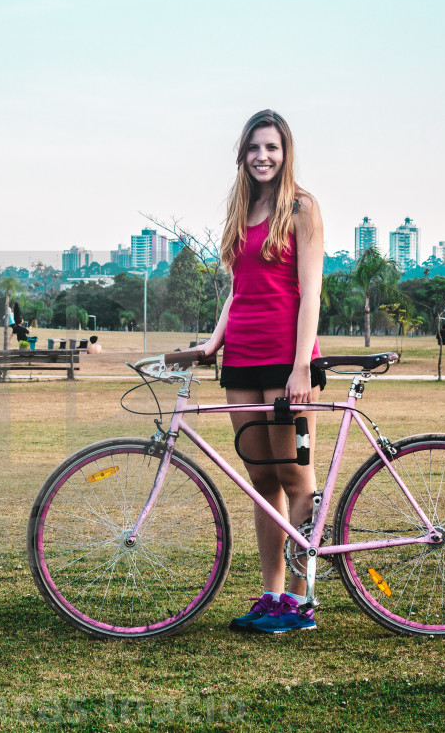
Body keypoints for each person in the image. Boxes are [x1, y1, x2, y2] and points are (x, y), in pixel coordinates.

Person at [196, 110, 325, 634]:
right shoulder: (242, 209)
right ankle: (271, 595)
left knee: (296, 479)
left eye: (271, 147)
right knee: (260, 481)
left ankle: (300, 599)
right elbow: (240, 289)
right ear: (242, 154)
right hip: (242, 361)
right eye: (254, 148)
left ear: (285, 151)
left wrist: (301, 367)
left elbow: (310, 290)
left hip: (287, 359)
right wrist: (213, 341)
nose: (262, 156)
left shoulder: (303, 207)